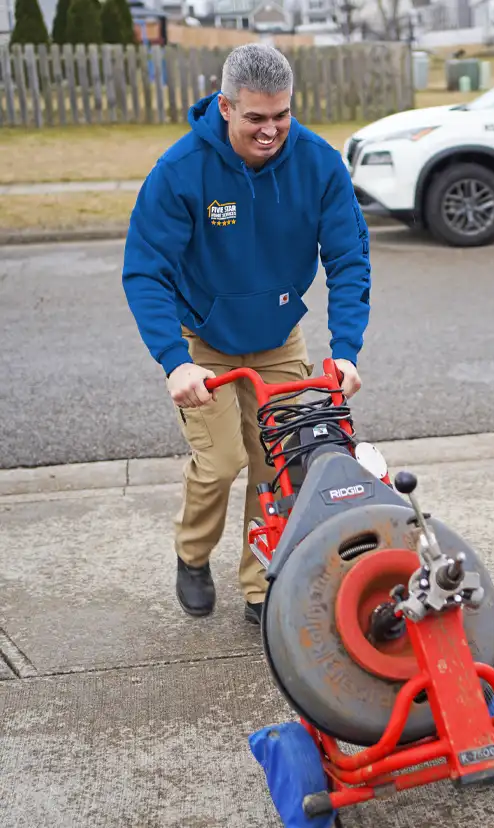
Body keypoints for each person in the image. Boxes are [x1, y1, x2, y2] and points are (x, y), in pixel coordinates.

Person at [121, 43, 371, 626]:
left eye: (281, 115)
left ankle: (261, 586)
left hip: (278, 338)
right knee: (222, 462)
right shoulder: (182, 171)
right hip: (203, 342)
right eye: (256, 117)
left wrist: (346, 349)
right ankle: (192, 554)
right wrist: (173, 361)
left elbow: (350, 256)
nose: (271, 130)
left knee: (279, 464)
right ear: (226, 107)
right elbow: (145, 270)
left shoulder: (317, 162)